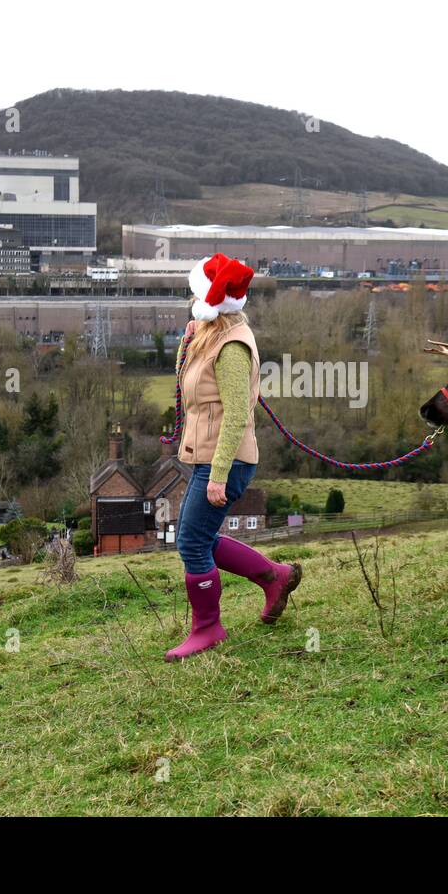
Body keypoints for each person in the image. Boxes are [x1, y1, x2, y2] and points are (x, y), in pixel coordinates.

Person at [165, 253, 301, 662]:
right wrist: (190, 337)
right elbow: (185, 385)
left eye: (196, 293)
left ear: (210, 298)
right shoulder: (208, 334)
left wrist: (218, 475)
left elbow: (238, 413)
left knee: (190, 541)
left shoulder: (233, 347)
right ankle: (274, 577)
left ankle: (208, 628)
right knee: (201, 536)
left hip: (226, 460)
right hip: (210, 456)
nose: (191, 298)